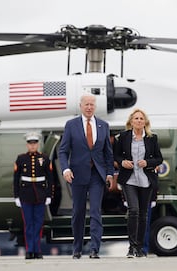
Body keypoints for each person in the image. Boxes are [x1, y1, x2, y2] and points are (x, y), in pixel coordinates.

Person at [58, 93, 114, 259]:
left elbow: (108, 154)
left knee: (95, 211)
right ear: (81, 106)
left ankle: (95, 248)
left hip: (97, 175)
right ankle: (77, 248)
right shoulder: (71, 125)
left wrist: (110, 173)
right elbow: (63, 151)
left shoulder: (103, 125)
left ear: (95, 106)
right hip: (77, 174)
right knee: (78, 212)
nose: (89, 107)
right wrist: (65, 169)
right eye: (86, 104)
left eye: (92, 104)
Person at [114, 108, 163, 258]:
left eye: (141, 119)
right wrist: (123, 162)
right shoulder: (123, 137)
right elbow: (115, 155)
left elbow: (159, 158)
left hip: (146, 179)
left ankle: (140, 248)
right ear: (131, 121)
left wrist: (147, 162)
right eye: (136, 118)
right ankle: (132, 247)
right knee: (133, 210)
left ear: (145, 122)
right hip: (129, 179)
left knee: (143, 214)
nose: (139, 121)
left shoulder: (152, 138)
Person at [13, 132, 53, 259]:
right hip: (26, 195)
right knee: (28, 224)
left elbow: (50, 178)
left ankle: (37, 250)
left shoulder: (45, 158)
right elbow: (16, 179)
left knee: (38, 224)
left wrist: (49, 195)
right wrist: (16, 196)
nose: (32, 146)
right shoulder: (21, 159)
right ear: (27, 145)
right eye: (30, 144)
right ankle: (30, 250)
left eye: (35, 143)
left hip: (40, 195)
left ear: (38, 144)